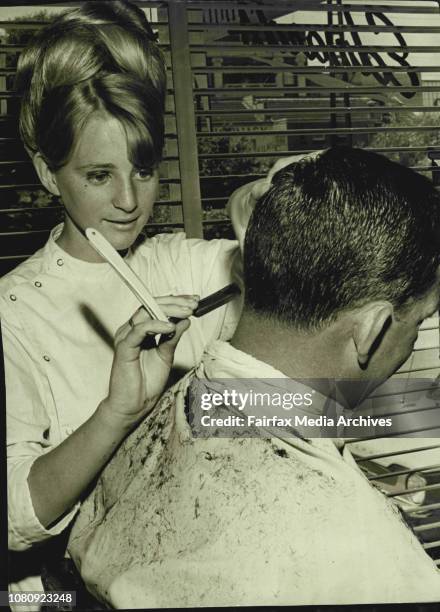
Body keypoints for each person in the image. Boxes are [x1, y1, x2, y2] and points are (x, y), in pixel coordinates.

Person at [2, 0, 289, 600]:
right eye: (98, 175)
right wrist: (117, 412)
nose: (131, 201)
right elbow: (15, 516)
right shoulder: (15, 311)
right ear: (49, 174)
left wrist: (270, 201)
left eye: (143, 167)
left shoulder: (167, 265)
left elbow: (263, 263)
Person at [68, 147, 440, 607]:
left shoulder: (180, 403)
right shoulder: (375, 566)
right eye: (421, 319)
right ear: (371, 330)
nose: (416, 339)